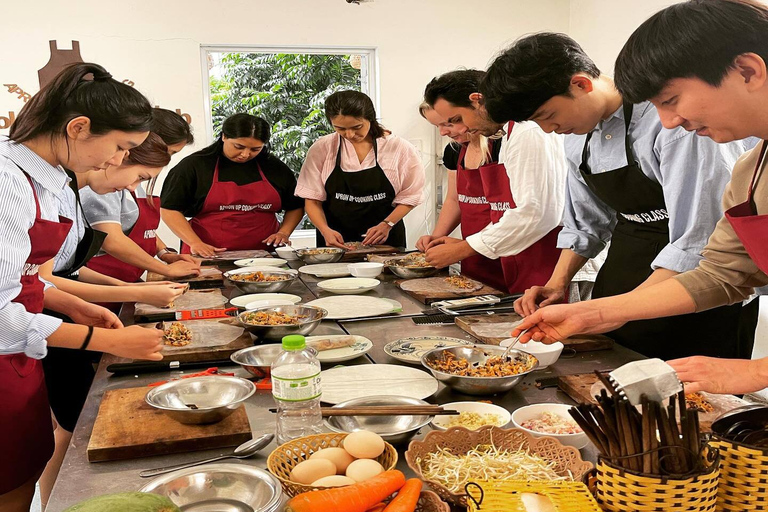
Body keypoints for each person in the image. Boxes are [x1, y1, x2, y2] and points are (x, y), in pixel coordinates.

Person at [512, 0, 768, 394]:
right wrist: (591, 313)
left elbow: (698, 249)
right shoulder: (751, 172)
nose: (669, 123)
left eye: (670, 100)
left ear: (748, 71)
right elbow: (722, 273)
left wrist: (757, 374)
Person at [0, 62, 164, 512]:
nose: (117, 161)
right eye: (119, 148)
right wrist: (106, 339)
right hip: (3, 359)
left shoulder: (45, 180)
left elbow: (28, 278)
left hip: (22, 359)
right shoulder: (6, 181)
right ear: (78, 127)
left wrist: (71, 303)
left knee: (22, 477)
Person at [35, 111, 194, 506]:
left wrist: (127, 289)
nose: (118, 166)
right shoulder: (49, 190)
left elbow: (69, 268)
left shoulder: (70, 192)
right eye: (134, 169)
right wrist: (132, 293)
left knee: (73, 422)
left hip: (69, 312)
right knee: (71, 425)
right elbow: (43, 280)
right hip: (45, 324)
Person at [423, 70, 567, 294]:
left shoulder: (528, 132)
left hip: (546, 255)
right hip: (515, 253)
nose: (461, 129)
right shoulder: (509, 133)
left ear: (478, 100)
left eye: (456, 120)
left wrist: (466, 247)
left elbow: (537, 213)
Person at [161, 114, 304, 257]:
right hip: (208, 254)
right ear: (224, 136)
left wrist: (283, 232)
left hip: (264, 256)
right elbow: (169, 210)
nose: (245, 154)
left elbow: (296, 207)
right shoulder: (194, 166)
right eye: (239, 146)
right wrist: (195, 243)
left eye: (255, 149)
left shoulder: (275, 168)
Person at [297, 91, 425, 249]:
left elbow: (410, 196)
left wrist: (387, 224)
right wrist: (324, 230)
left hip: (385, 240)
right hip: (335, 242)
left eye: (357, 127)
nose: (349, 134)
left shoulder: (399, 148)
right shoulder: (322, 148)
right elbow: (312, 200)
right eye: (340, 128)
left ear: (370, 118)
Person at [80, 133, 201, 283]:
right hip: (100, 280)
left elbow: (145, 230)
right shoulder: (104, 187)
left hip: (121, 281)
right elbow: (112, 240)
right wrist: (165, 270)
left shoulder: (124, 183)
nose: (164, 157)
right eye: (169, 151)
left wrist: (164, 253)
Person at [417, 102, 508, 291]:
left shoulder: (502, 146)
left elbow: (517, 211)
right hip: (469, 253)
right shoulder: (454, 151)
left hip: (505, 250)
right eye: (437, 127)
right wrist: (436, 239)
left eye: (448, 124)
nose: (443, 132)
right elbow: (454, 199)